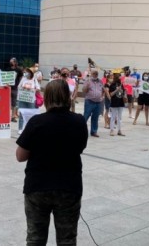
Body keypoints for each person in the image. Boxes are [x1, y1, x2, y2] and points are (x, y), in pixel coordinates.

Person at [16, 79, 88, 245]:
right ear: (68, 96)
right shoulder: (78, 121)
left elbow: (20, 156)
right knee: (67, 239)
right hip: (69, 187)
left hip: (38, 187)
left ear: (47, 98)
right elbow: (80, 147)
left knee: (35, 238)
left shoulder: (37, 122)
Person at [17, 68, 41, 133]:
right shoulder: (23, 78)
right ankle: (20, 128)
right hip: (23, 98)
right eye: (26, 72)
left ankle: (30, 128)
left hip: (31, 99)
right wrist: (23, 87)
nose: (27, 73)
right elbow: (19, 87)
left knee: (31, 114)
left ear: (31, 73)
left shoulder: (34, 80)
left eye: (28, 72)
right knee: (22, 113)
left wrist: (32, 89)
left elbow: (38, 89)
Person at [83, 68, 104, 137]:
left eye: (96, 73)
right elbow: (84, 91)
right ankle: (81, 130)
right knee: (86, 116)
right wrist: (87, 86)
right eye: (94, 73)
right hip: (89, 101)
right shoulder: (88, 81)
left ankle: (94, 131)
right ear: (91, 74)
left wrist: (102, 96)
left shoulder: (100, 81)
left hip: (98, 102)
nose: (95, 75)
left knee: (95, 117)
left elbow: (103, 89)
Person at [9, 58, 24, 122]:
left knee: (14, 103)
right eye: (10, 62)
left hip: (15, 88)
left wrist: (19, 85)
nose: (10, 63)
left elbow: (21, 78)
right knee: (8, 103)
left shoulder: (19, 69)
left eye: (11, 61)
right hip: (8, 88)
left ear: (15, 62)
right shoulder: (8, 69)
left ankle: (13, 116)